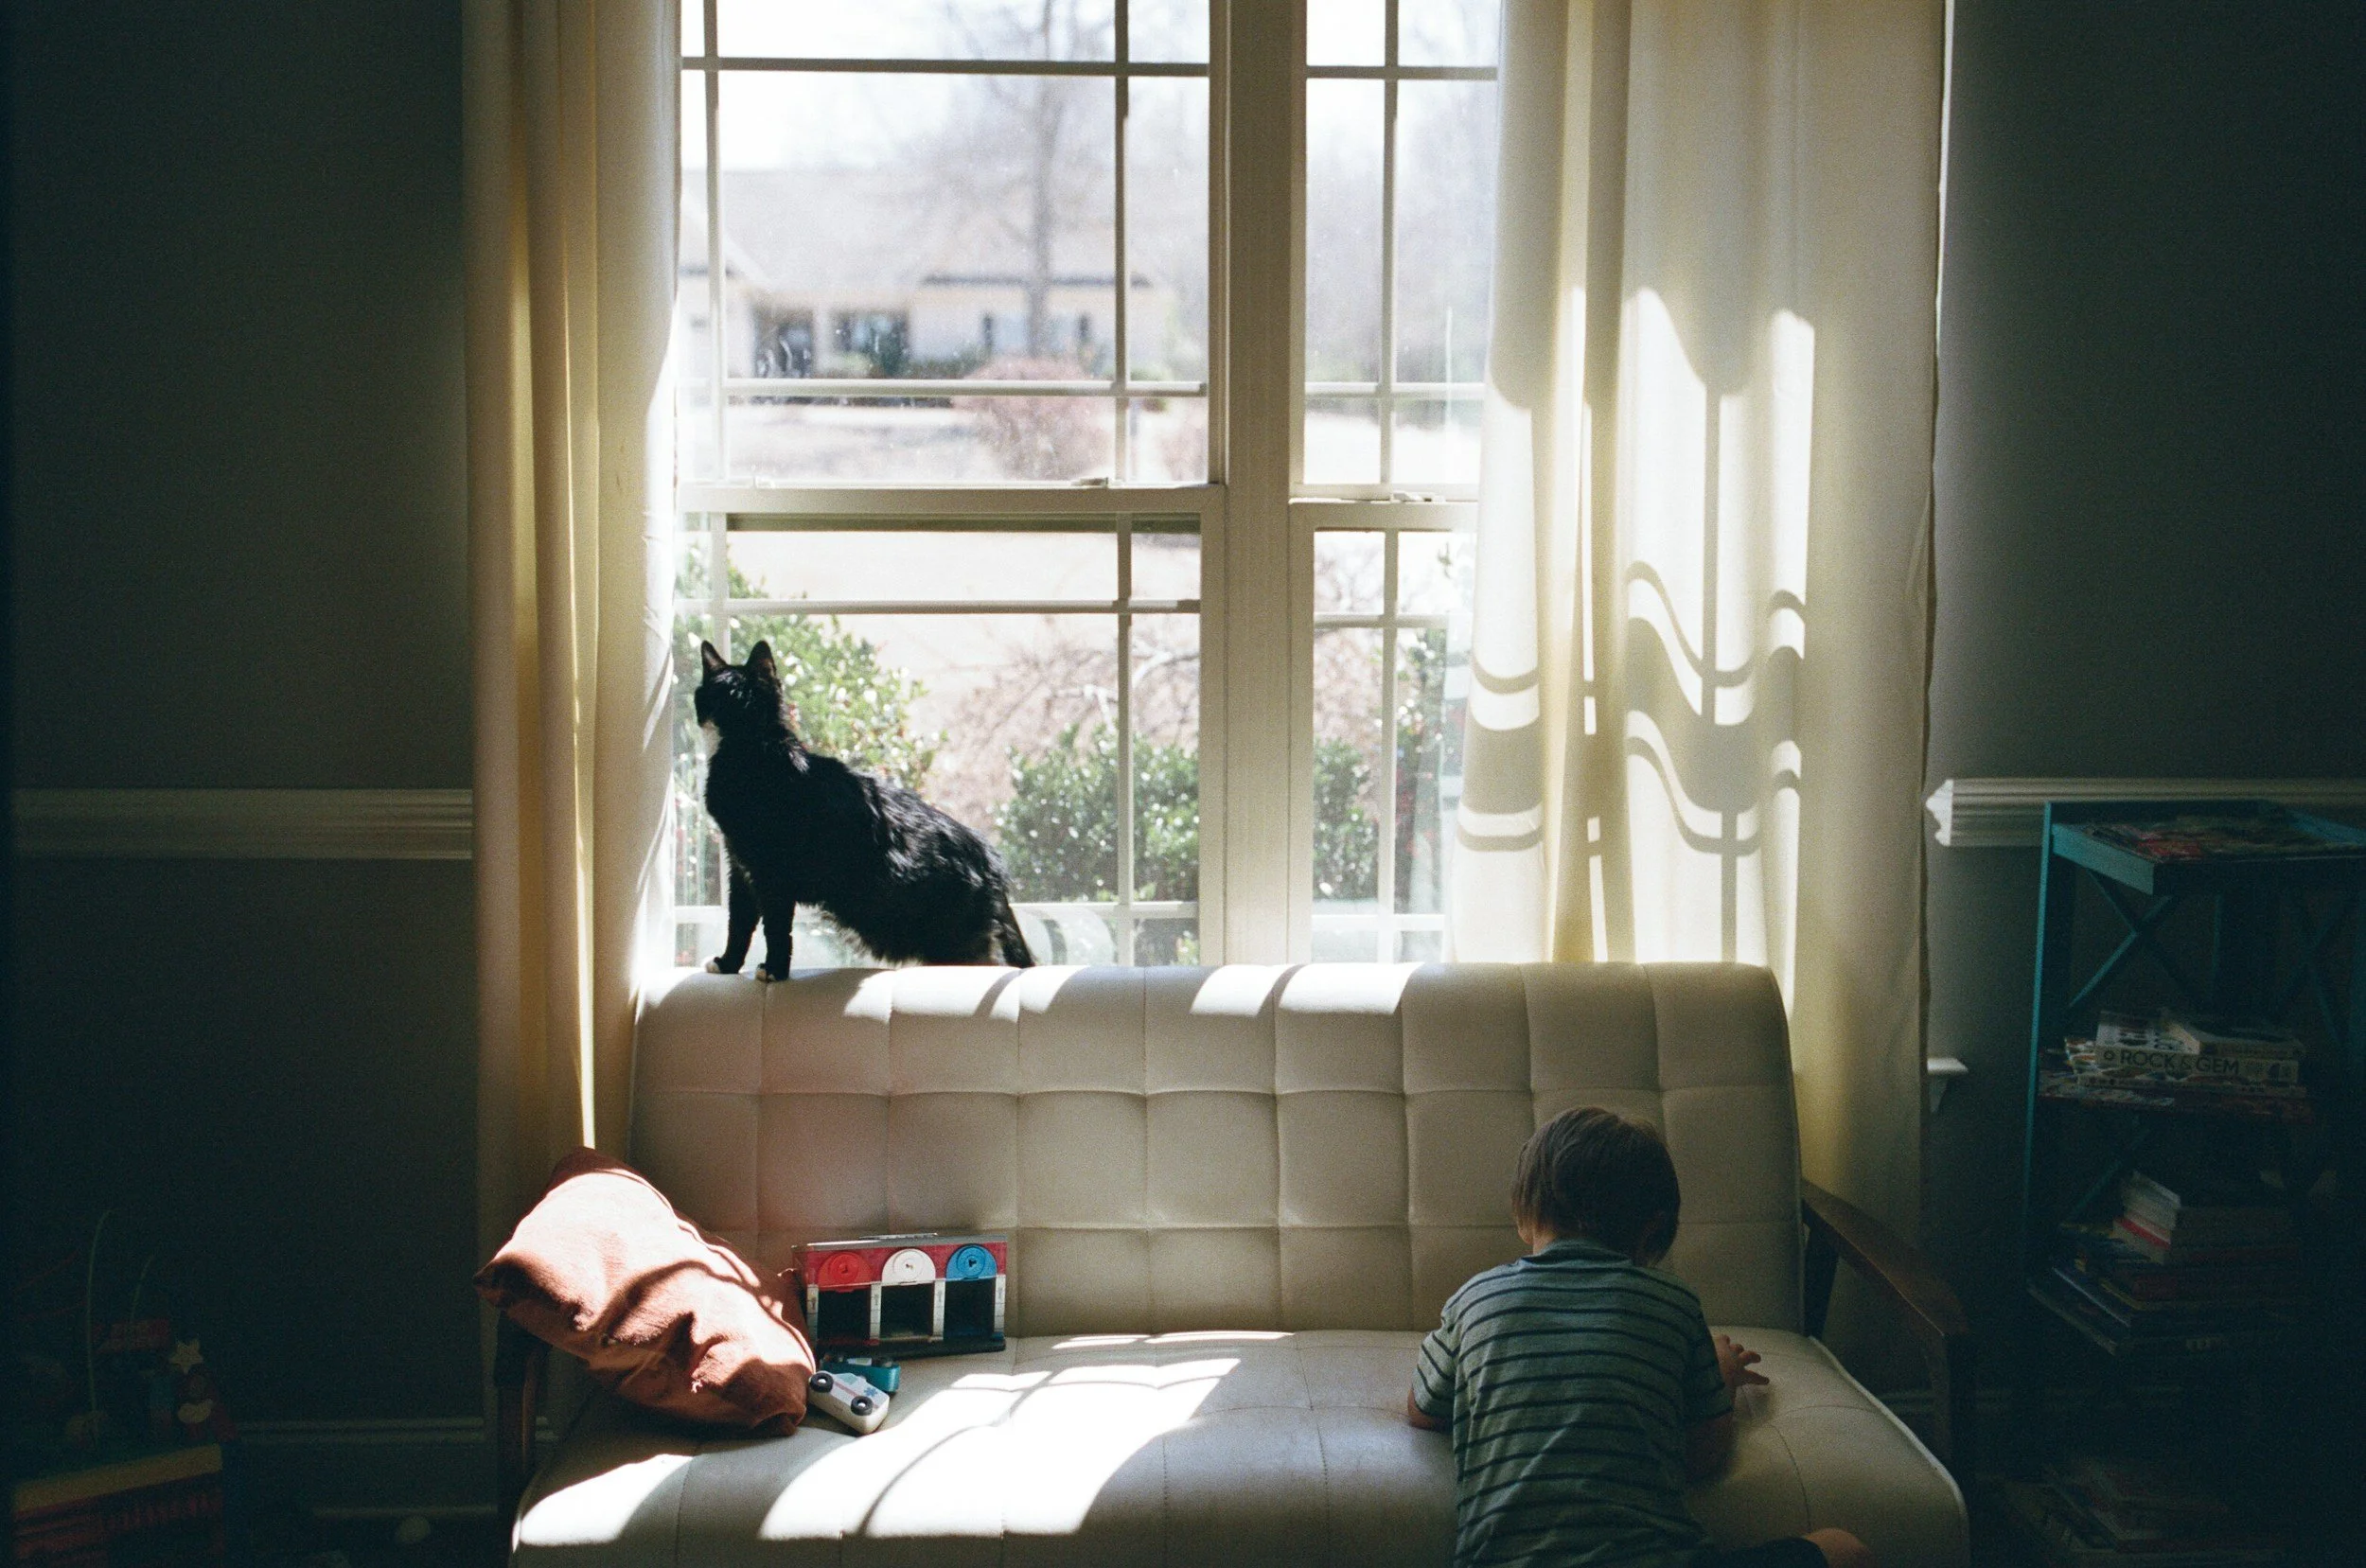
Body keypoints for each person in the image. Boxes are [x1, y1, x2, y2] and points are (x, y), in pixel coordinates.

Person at [1407, 1106, 1877, 1568]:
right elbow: (1700, 1457)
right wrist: (1723, 1378)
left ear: (1523, 1211)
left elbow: (1422, 1410)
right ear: (1653, 1227)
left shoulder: (1475, 1300)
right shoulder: (1673, 1304)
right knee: (1843, 1550)